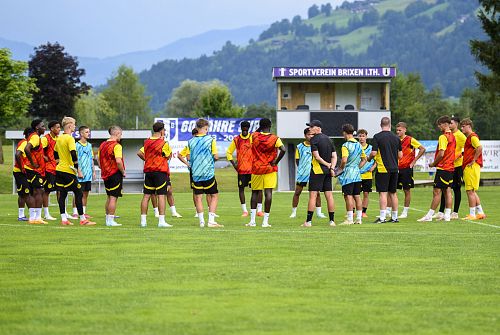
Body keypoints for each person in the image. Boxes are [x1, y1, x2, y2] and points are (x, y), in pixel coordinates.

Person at [181, 118, 222, 228]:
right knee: (214, 195)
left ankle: (201, 222)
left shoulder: (190, 141)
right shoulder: (210, 139)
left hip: (196, 174)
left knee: (198, 197)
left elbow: (187, 156)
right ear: (205, 128)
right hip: (208, 172)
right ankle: (211, 221)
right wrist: (214, 159)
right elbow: (216, 156)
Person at [54, 116, 95, 226]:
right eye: (74, 124)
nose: (75, 126)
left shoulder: (59, 138)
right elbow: (73, 154)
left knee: (62, 194)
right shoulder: (69, 138)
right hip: (68, 170)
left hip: (59, 170)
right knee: (79, 193)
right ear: (69, 125)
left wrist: (59, 163)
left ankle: (64, 219)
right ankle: (82, 219)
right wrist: (78, 170)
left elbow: (55, 153)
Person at [246, 118, 286, 227]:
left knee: (255, 193)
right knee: (268, 193)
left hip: (256, 169)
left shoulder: (253, 136)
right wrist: (276, 161)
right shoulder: (275, 138)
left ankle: (252, 221)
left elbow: (250, 144)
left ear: (260, 125)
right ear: (270, 125)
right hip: (269, 169)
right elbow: (283, 149)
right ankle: (265, 222)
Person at [418, 116, 456, 222]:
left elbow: (442, 153)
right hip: (450, 168)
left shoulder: (443, 137)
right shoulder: (453, 136)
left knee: (436, 192)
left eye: (439, 125)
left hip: (443, 167)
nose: (438, 127)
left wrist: (434, 163)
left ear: (444, 124)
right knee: (447, 191)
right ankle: (447, 215)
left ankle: (429, 216)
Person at [302, 120, 337, 227]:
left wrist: (327, 164)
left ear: (317, 128)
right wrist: (332, 167)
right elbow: (334, 156)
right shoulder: (329, 139)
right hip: (327, 171)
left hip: (317, 170)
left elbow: (316, 157)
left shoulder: (314, 140)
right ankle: (332, 221)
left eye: (311, 127)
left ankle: (308, 222)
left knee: (313, 196)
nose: (309, 129)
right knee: (329, 195)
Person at [368, 117, 402, 223]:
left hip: (383, 168)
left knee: (383, 193)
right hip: (394, 168)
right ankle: (395, 217)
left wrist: (369, 159)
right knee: (393, 193)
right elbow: (400, 155)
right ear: (390, 125)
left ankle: (382, 218)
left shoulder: (377, 137)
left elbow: (373, 153)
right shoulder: (396, 138)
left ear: (380, 125)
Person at [139, 121, 173, 227]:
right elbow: (169, 156)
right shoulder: (164, 143)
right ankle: (161, 221)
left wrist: (148, 160)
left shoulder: (147, 142)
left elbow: (139, 153)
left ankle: (143, 221)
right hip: (159, 171)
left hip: (149, 171)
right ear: (162, 130)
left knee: (146, 196)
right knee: (161, 196)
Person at [226, 120, 263, 217]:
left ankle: (259, 210)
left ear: (249, 128)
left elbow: (258, 135)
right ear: (241, 128)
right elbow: (228, 152)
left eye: (247, 128)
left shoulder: (252, 137)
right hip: (242, 170)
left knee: (258, 189)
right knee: (241, 189)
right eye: (244, 128)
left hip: (253, 169)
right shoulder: (237, 139)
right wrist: (234, 164)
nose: (245, 129)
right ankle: (245, 211)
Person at [436, 116, 467, 220]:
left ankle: (455, 212)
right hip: (447, 165)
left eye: (452, 123)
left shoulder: (460, 136)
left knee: (456, 189)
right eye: (449, 123)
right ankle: (441, 211)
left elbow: (467, 148)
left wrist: (457, 156)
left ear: (456, 124)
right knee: (445, 188)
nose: (450, 125)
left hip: (457, 166)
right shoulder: (448, 135)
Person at [290, 128, 325, 219]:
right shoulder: (300, 146)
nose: (311, 136)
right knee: (297, 192)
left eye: (313, 135)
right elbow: (297, 160)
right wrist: (302, 169)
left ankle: (319, 213)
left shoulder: (317, 146)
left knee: (316, 193)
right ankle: (293, 212)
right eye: (309, 134)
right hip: (303, 173)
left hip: (314, 172)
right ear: (305, 135)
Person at [137, 150, 182, 218]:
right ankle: (156, 211)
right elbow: (139, 153)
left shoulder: (164, 144)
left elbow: (169, 155)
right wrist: (149, 160)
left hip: (163, 171)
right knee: (153, 193)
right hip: (155, 171)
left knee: (169, 191)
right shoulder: (152, 143)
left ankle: (173, 212)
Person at [395, 122, 426, 219]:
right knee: (392, 190)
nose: (398, 132)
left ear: (405, 130)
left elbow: (422, 149)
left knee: (406, 190)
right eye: (397, 130)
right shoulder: (395, 140)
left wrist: (413, 162)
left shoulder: (410, 139)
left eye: (400, 130)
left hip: (406, 168)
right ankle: (388, 211)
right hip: (396, 168)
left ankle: (405, 212)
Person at [338, 124, 366, 225]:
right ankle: (359, 219)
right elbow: (364, 159)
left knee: (348, 196)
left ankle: (349, 219)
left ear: (344, 133)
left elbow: (344, 160)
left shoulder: (345, 145)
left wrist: (341, 168)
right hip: (357, 174)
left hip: (348, 174)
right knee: (357, 196)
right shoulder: (359, 144)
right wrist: (357, 168)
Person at [98, 125, 125, 227]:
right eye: (121, 134)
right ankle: (111, 220)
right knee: (114, 197)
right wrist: (123, 172)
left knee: (109, 196)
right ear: (117, 133)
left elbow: (99, 160)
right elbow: (118, 161)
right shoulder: (117, 146)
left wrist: (104, 169)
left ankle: (107, 219)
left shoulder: (102, 145)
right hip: (115, 174)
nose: (121, 137)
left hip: (106, 174)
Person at [460, 118, 486, 220]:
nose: (462, 128)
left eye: (463, 126)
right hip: (472, 166)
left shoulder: (472, 137)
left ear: (469, 126)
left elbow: (479, 147)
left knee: (469, 191)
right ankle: (480, 213)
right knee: (473, 191)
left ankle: (472, 214)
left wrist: (473, 160)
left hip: (471, 167)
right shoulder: (470, 137)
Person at [24, 119, 47, 224]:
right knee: (39, 191)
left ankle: (33, 217)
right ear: (37, 127)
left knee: (36, 192)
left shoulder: (36, 137)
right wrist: (33, 163)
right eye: (43, 126)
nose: (44, 128)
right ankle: (36, 217)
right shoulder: (35, 137)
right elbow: (27, 149)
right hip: (33, 169)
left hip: (33, 169)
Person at [71, 126, 95, 219]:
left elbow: (91, 159)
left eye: (89, 132)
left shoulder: (89, 145)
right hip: (79, 174)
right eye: (86, 132)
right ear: (81, 133)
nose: (88, 133)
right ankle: (75, 212)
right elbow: (75, 160)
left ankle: (83, 212)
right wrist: (79, 171)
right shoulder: (77, 145)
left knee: (85, 193)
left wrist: (93, 172)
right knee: (77, 193)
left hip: (88, 174)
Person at [40, 120, 60, 221]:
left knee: (60, 190)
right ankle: (46, 213)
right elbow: (39, 151)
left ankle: (63, 212)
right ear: (52, 129)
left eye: (60, 127)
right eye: (57, 127)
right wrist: (45, 157)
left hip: (57, 168)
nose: (59, 129)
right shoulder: (45, 139)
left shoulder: (58, 138)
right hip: (49, 169)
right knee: (47, 191)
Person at [13, 128, 34, 221]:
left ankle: (21, 215)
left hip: (20, 171)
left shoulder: (25, 143)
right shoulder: (24, 142)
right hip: (20, 172)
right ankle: (33, 216)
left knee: (22, 194)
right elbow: (17, 154)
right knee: (27, 193)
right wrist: (22, 168)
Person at [357, 129, 376, 218]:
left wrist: (373, 167)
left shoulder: (371, 148)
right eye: (360, 136)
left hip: (367, 175)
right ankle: (354, 211)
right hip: (356, 175)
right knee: (355, 194)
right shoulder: (355, 147)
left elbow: (377, 159)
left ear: (366, 137)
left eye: (363, 136)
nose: (361, 138)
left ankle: (364, 212)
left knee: (366, 194)